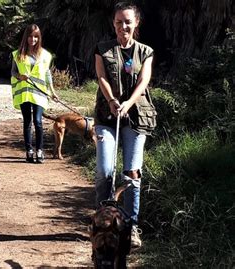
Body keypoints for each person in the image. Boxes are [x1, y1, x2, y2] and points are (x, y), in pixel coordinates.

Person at [94, 2, 154, 248]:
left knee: (131, 174)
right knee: (105, 171)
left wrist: (128, 102)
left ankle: (131, 226)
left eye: (128, 21)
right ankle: (102, 220)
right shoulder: (102, 49)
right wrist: (111, 101)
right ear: (114, 23)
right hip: (107, 118)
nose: (123, 26)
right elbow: (101, 77)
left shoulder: (145, 51)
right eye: (119, 22)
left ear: (136, 22)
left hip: (137, 117)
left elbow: (144, 80)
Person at [11, 24, 58, 164]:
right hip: (24, 92)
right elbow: (13, 72)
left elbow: (47, 73)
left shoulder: (45, 55)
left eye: (36, 37)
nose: (33, 39)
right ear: (26, 37)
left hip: (39, 92)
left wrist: (53, 91)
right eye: (30, 36)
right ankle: (29, 150)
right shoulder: (18, 54)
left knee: (38, 121)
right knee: (27, 122)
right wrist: (20, 76)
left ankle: (40, 150)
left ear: (39, 38)